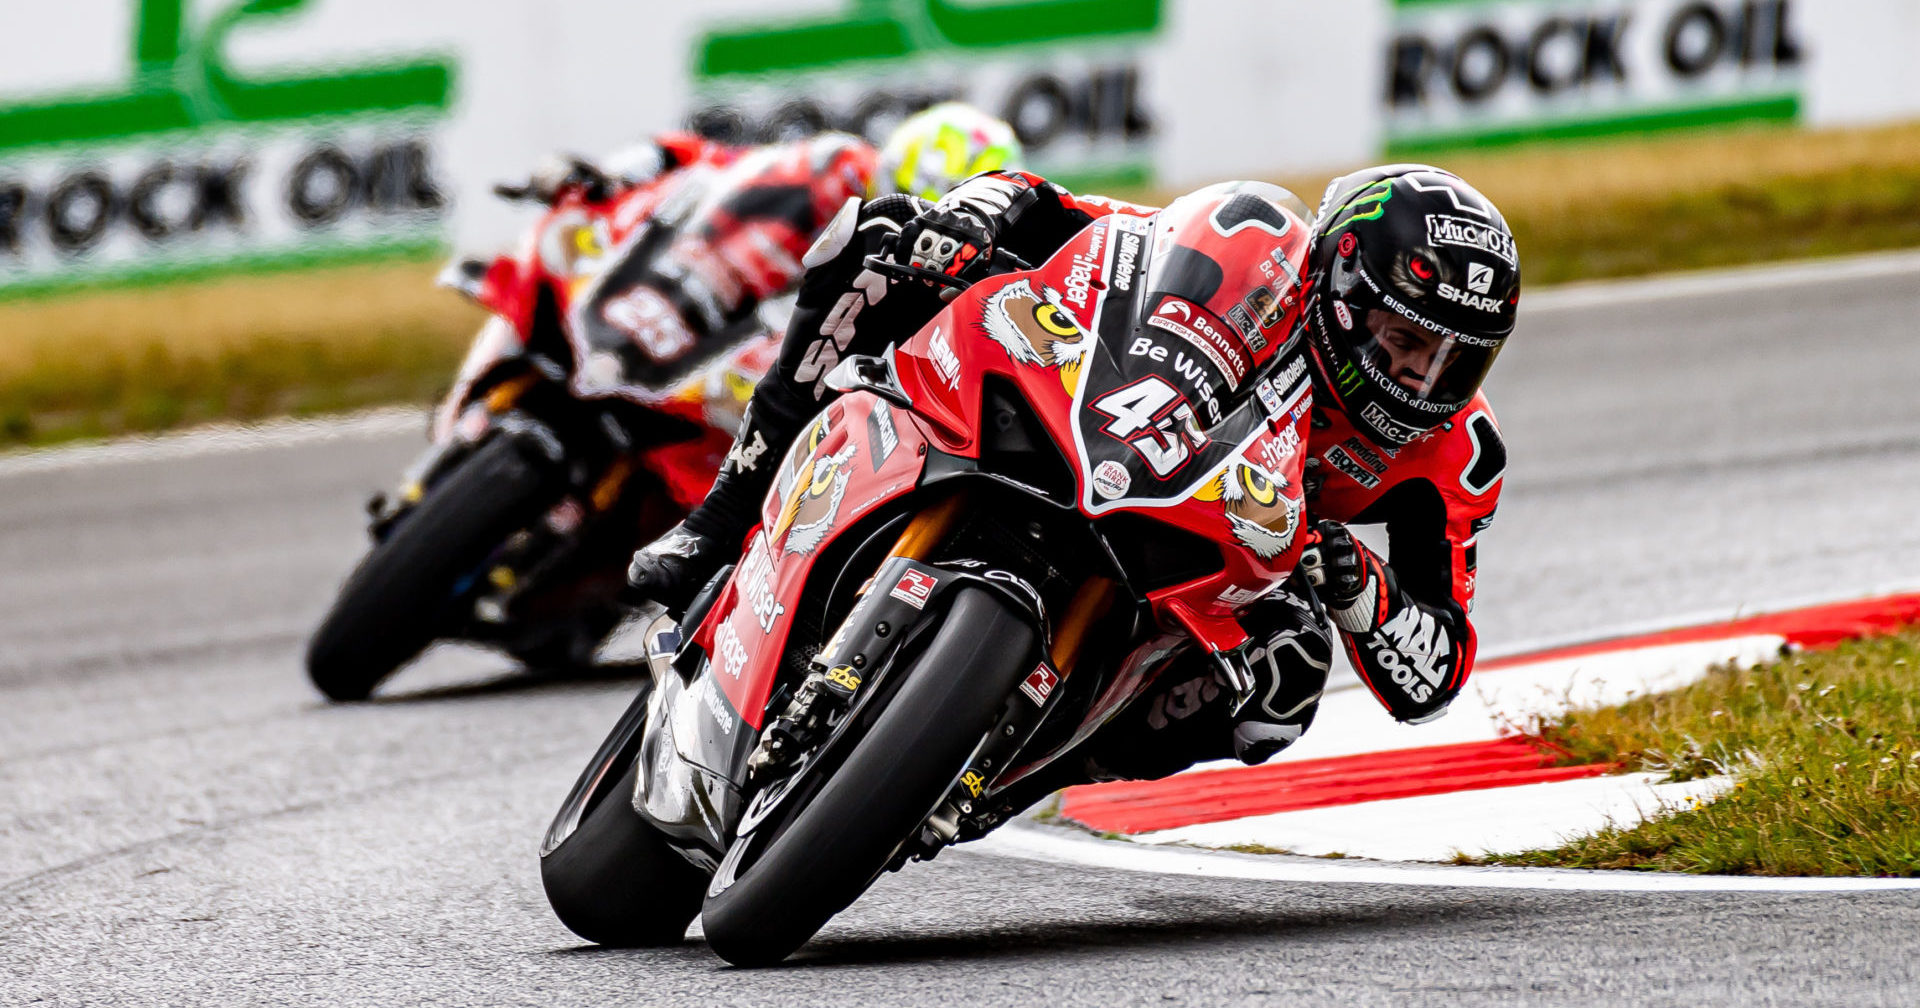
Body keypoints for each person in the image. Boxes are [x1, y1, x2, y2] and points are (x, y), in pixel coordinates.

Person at [626, 162, 1517, 779]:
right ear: (1344, 289)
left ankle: (1028, 766)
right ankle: (720, 520)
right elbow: (1068, 213)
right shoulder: (1256, 245)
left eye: (1454, 362)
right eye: (1404, 343)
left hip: (1218, 568)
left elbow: (1433, 678)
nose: (1419, 381)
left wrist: (1363, 591)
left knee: (1288, 684)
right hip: (1101, 417)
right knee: (877, 241)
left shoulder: (1455, 456)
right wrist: (969, 222)